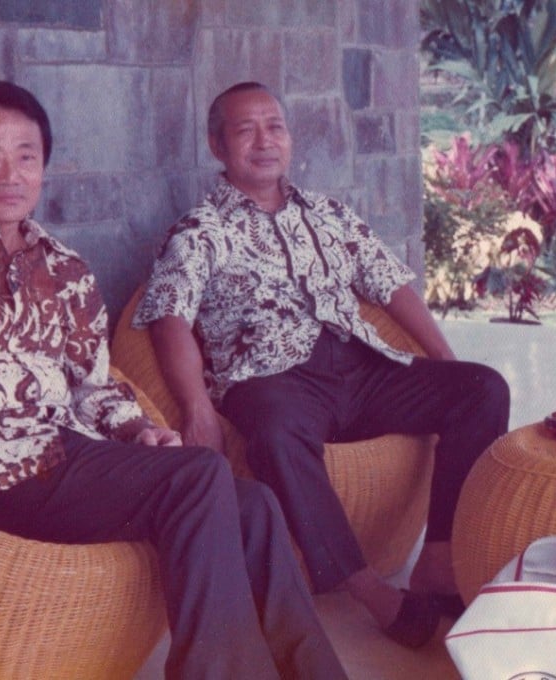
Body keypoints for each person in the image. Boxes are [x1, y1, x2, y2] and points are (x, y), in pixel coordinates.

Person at [0, 79, 347, 680]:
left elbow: (92, 386)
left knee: (253, 504)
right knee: (198, 475)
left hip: (68, 458)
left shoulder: (64, 268)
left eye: (26, 156)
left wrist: (139, 430)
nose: (12, 175)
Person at [133, 81, 511, 648]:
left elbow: (389, 284)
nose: (265, 141)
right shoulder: (199, 231)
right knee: (275, 435)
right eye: (246, 130)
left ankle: (438, 559)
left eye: (275, 127)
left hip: (360, 367)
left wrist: (443, 358)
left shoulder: (328, 214)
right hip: (271, 379)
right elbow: (170, 319)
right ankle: (367, 589)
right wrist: (197, 409)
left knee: (482, 387)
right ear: (217, 146)